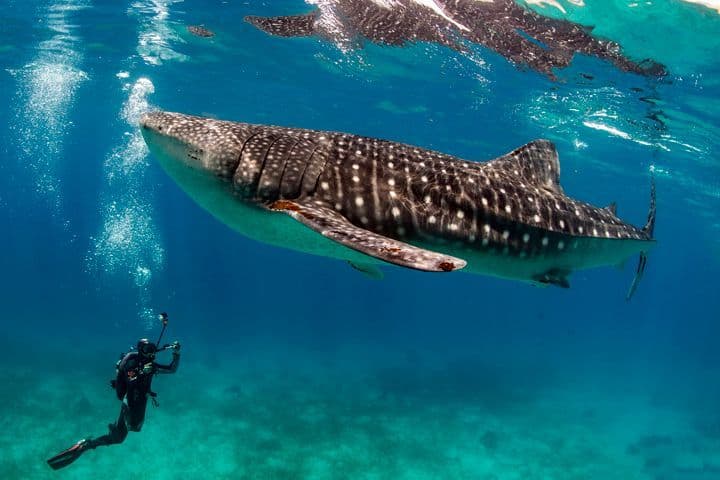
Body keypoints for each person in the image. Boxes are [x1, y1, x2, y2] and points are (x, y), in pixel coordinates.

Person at [47, 337, 181, 470]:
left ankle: (90, 443)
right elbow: (130, 382)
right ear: (140, 350)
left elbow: (172, 369)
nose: (150, 353)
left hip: (140, 402)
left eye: (152, 349)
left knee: (130, 430)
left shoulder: (151, 366)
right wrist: (141, 372)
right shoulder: (131, 363)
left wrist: (176, 353)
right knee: (120, 437)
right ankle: (87, 445)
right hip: (129, 403)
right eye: (147, 349)